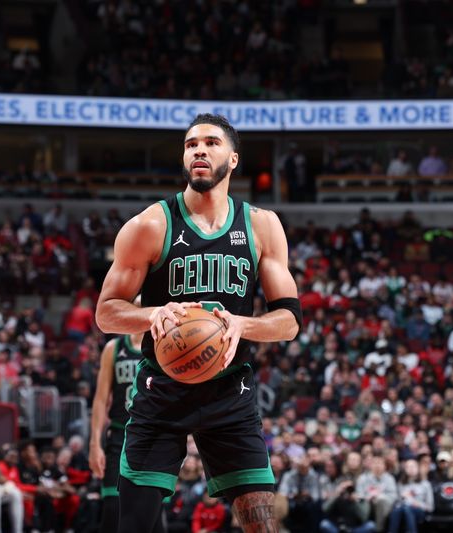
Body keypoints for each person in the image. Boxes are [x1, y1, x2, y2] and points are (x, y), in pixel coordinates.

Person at [95, 114, 301, 533]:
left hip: (231, 393)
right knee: (133, 526)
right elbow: (106, 312)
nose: (200, 151)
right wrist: (153, 314)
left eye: (211, 143)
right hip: (162, 394)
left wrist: (244, 325)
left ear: (234, 158)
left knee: (263, 525)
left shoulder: (261, 225)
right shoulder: (149, 225)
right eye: (191, 145)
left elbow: (289, 321)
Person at [89, 311, 161, 533]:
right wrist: (94, 444)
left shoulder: (163, 346)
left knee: (153, 517)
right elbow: (101, 400)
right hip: (119, 436)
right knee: (112, 508)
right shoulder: (114, 348)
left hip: (152, 438)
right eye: (136, 306)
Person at [388, 459, 433, 533]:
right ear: (405, 470)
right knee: (396, 510)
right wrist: (402, 498)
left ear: (418, 468)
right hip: (402, 510)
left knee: (407, 508)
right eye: (408, 467)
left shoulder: (426, 484)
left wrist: (414, 502)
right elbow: (396, 503)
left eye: (413, 466)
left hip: (420, 512)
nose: (411, 469)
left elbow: (430, 507)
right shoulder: (401, 484)